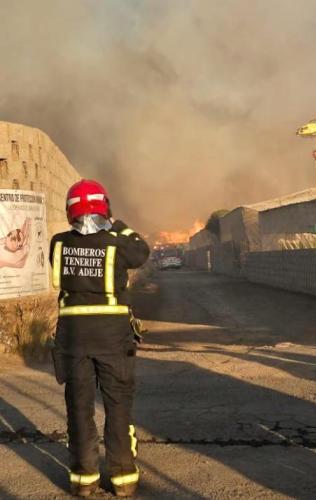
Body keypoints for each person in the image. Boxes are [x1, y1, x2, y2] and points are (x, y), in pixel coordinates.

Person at [49, 179, 149, 497]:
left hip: (73, 338)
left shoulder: (58, 243)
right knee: (117, 405)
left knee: (78, 408)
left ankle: (84, 479)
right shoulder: (118, 243)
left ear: (70, 211)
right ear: (103, 207)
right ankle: (123, 479)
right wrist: (116, 222)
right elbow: (141, 252)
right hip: (113, 337)